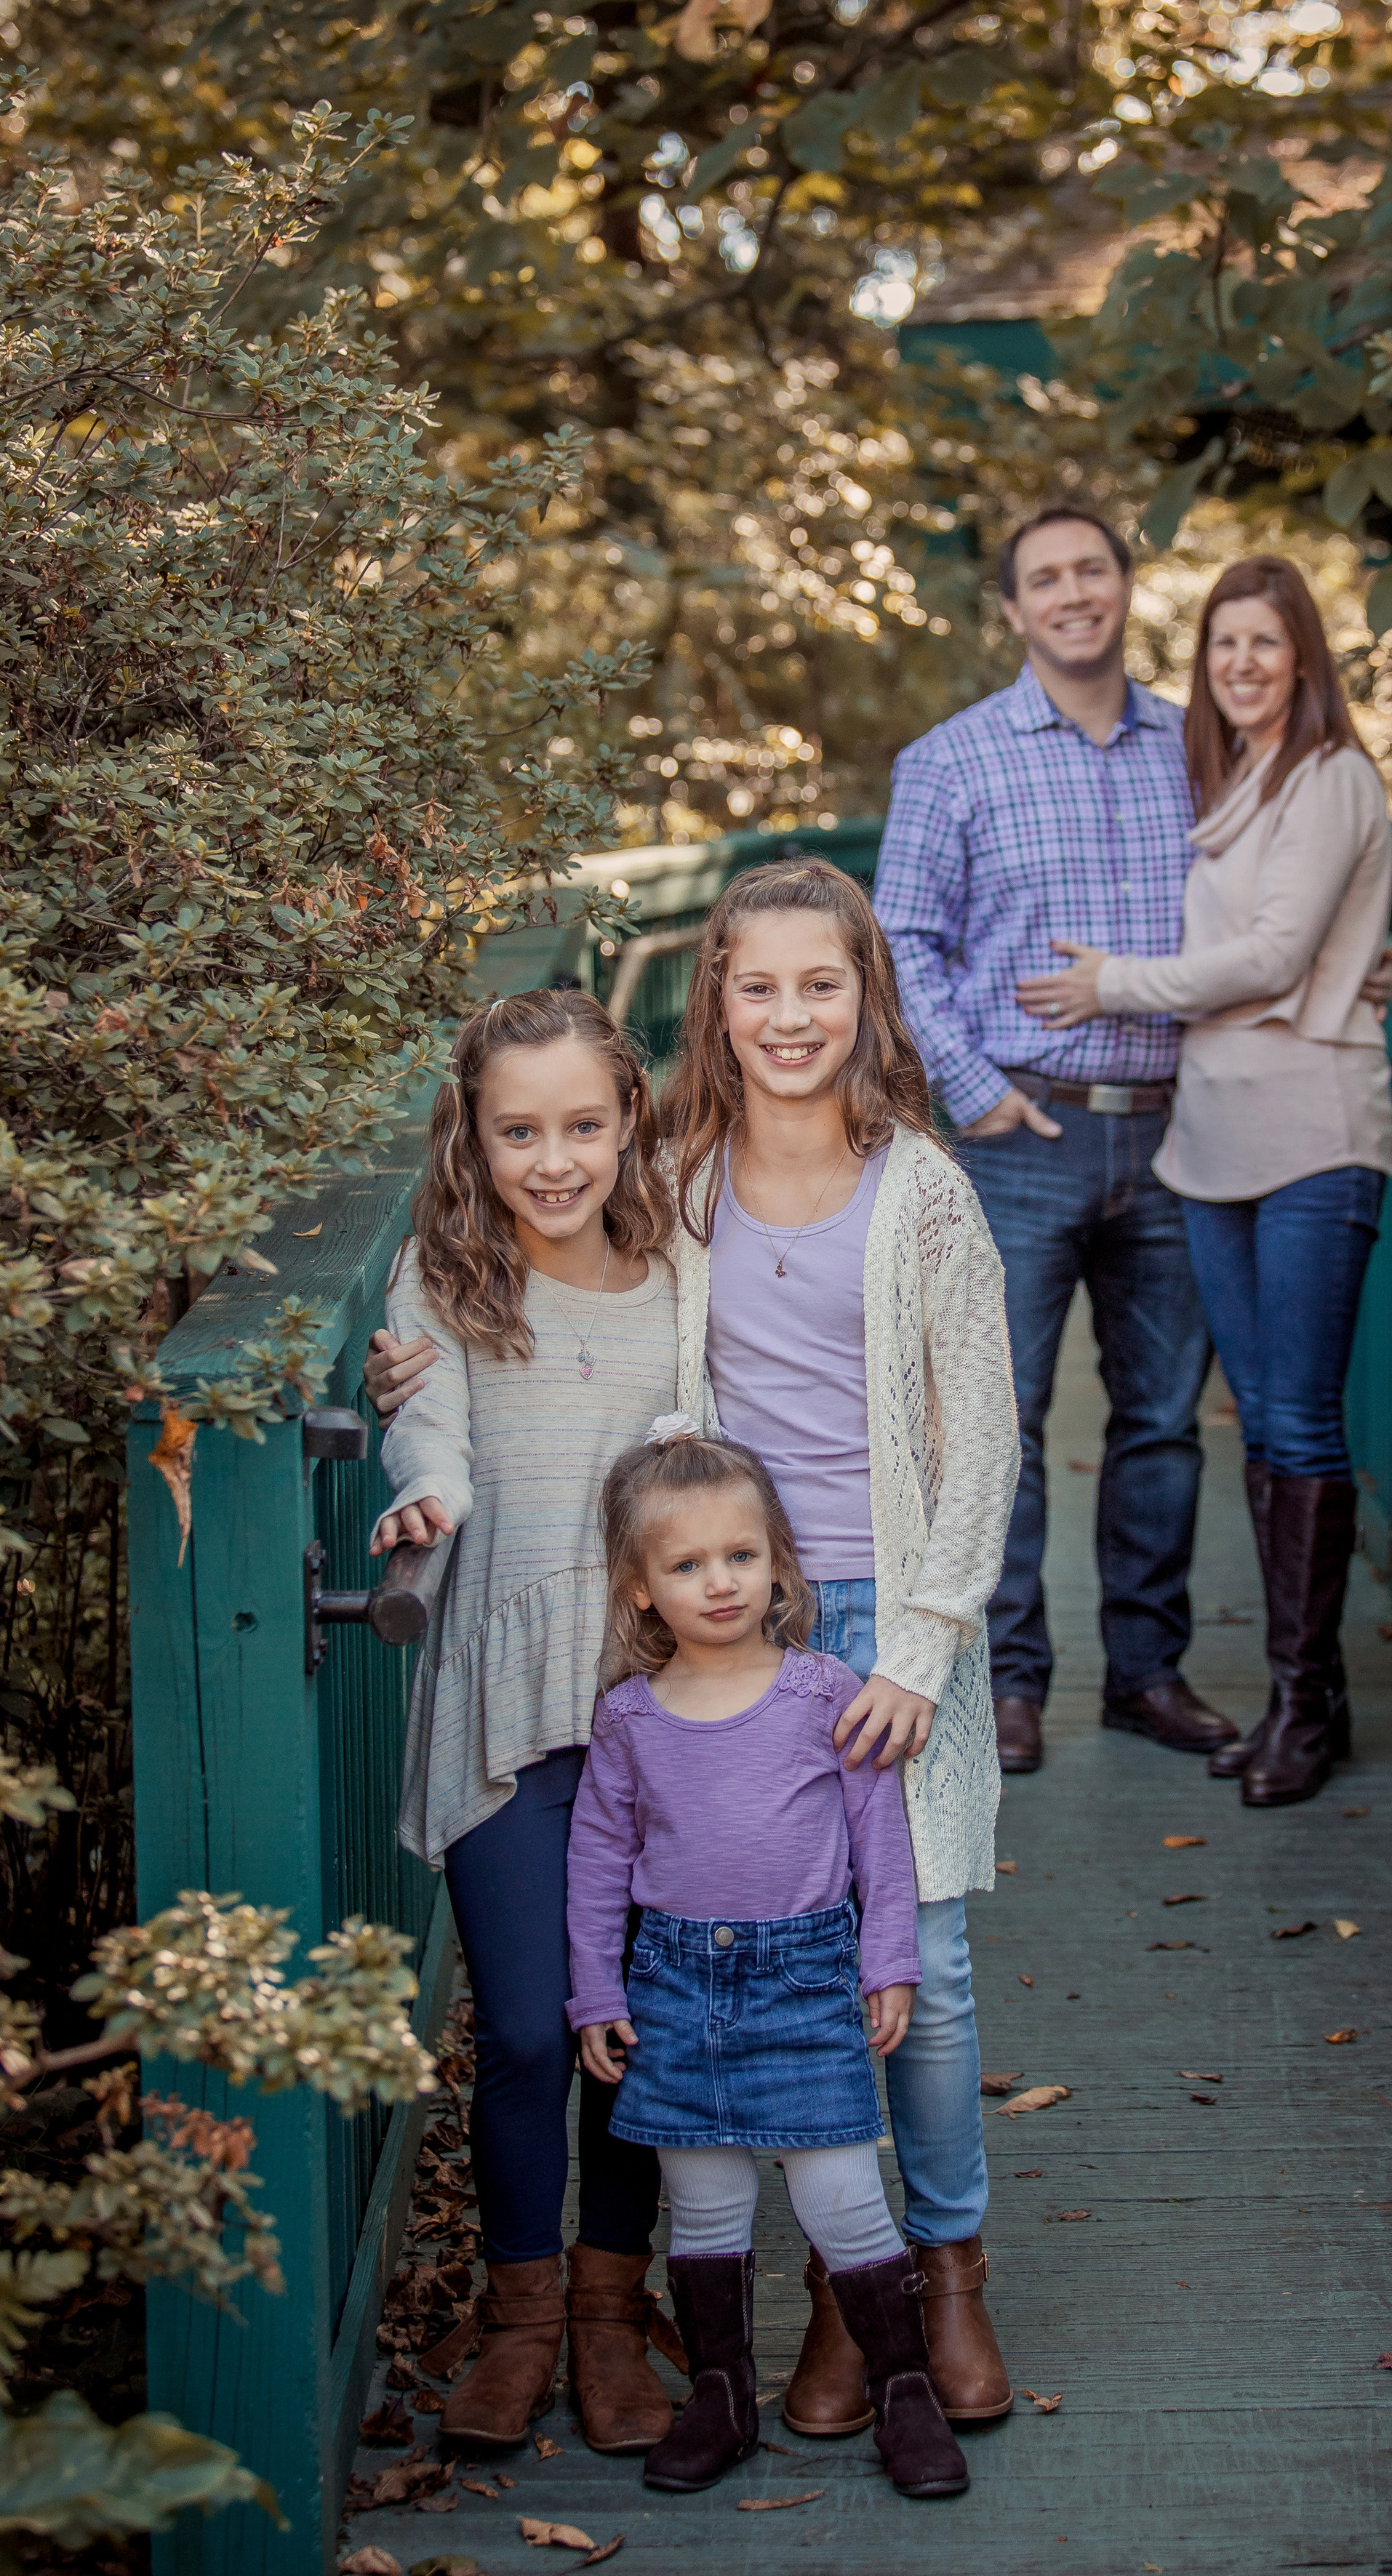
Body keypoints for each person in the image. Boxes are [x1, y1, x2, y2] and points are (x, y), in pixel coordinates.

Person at [657, 856, 1020, 2441]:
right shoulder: (675, 1178)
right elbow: (550, 1284)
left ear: (863, 996)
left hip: (893, 1629)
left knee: (921, 1974)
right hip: (743, 1635)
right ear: (717, 1002)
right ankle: (837, 2289)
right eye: (759, 987)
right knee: (789, 1980)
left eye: (822, 984)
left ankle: (947, 2279)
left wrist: (924, 1654)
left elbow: (985, 1438)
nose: (790, 1015)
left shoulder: (921, 1190)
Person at [1015, 553, 1392, 1808]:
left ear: (1305, 658)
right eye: (1222, 645)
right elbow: (1259, 947)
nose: (1241, 665)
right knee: (1258, 1430)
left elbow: (1280, 952)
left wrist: (1111, 983)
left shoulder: (1332, 777)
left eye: (1265, 645)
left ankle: (1299, 1704)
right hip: (1211, 1140)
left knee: (1298, 1423)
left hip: (1313, 1135)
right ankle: (1312, 1699)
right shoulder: (1230, 781)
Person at [365, 987, 684, 2457]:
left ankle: (617, 2317)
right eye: (517, 1132)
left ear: (628, 1116)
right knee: (523, 2033)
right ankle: (520, 2315)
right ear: (473, 1138)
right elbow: (421, 1421)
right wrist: (422, 1491)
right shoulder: (444, 1277)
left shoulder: (686, 1267)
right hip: (502, 1688)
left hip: (648, 1701)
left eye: (580, 1125)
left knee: (623, 2023)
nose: (552, 1160)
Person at [872, 506, 1235, 1779]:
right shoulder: (954, 760)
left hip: (1182, 1133)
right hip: (1017, 1133)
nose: (1073, 593)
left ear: (1126, 588)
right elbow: (898, 942)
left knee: (1164, 1423)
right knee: (1000, 1422)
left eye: (1093, 568)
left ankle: (1147, 1675)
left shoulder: (1201, 749)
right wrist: (972, 1089)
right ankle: (1008, 1683)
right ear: (1016, 610)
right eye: (1046, 578)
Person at [566, 1423, 968, 2502]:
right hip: (672, 1988)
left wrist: (888, 1960)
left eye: (741, 1556)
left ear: (778, 1563)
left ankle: (905, 2391)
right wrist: (595, 1987)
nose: (721, 1582)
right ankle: (721, 2394)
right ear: (642, 1589)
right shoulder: (630, 1720)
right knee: (702, 2203)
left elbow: (879, 1837)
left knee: (840, 2193)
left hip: (802, 1980)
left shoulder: (823, 1693)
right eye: (688, 1565)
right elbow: (600, 1860)